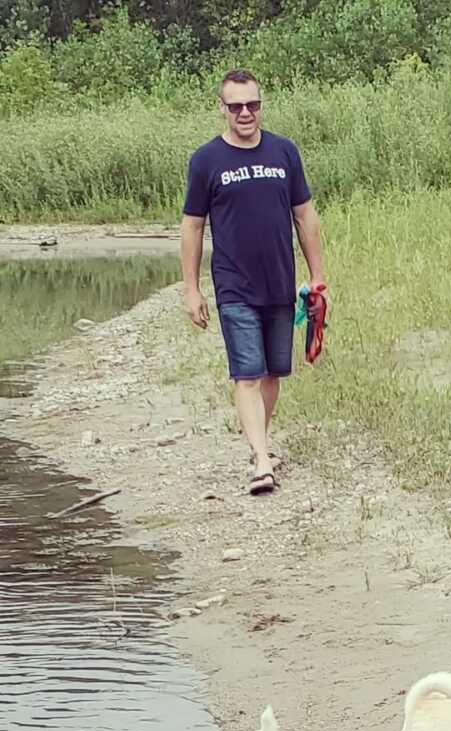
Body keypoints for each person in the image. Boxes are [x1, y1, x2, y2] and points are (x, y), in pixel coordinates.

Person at [180, 68, 325, 495]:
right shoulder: (206, 160)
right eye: (236, 106)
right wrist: (191, 288)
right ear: (222, 108)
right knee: (246, 372)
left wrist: (317, 277)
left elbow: (305, 216)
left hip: (279, 282)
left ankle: (257, 443)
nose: (246, 113)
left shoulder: (284, 152)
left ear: (261, 105)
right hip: (233, 285)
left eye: (253, 104)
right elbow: (192, 226)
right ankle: (262, 462)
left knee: (273, 374)